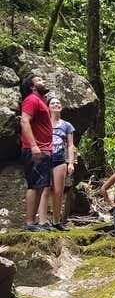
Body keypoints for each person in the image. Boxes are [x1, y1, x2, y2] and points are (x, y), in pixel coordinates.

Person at [19, 74, 53, 232]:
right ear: (32, 87)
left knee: (41, 185)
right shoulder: (31, 100)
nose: (43, 81)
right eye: (39, 80)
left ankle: (35, 223)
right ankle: (29, 223)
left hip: (44, 149)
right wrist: (33, 146)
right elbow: (24, 121)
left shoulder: (40, 101)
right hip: (35, 149)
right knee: (34, 185)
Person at [37, 97, 75, 231]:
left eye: (58, 103)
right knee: (45, 190)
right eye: (53, 103)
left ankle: (56, 221)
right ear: (48, 107)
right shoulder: (43, 123)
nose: (56, 104)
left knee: (58, 191)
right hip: (45, 160)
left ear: (61, 107)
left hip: (60, 160)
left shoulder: (67, 125)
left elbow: (70, 145)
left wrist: (71, 162)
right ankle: (42, 222)